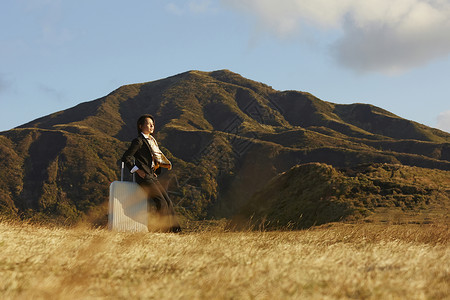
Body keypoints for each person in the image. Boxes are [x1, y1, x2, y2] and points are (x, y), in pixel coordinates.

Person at [122, 114, 181, 233]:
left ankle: (175, 230)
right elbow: (126, 157)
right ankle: (161, 229)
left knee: (168, 201)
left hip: (151, 176)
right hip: (144, 177)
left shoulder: (152, 141)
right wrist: (137, 171)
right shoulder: (138, 141)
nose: (152, 126)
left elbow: (152, 160)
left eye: (153, 124)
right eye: (149, 124)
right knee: (161, 202)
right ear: (140, 126)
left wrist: (153, 171)